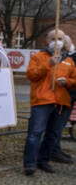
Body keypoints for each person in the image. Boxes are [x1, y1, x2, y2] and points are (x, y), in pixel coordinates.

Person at [23, 29, 76, 175]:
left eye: (60, 38)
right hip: (42, 100)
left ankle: (43, 160)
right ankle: (30, 163)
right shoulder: (38, 57)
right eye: (53, 38)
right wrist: (48, 64)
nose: (56, 41)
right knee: (35, 133)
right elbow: (31, 75)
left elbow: (75, 80)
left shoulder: (69, 60)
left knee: (53, 134)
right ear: (47, 40)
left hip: (61, 102)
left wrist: (68, 82)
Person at [50, 34, 76, 164]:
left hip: (69, 95)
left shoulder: (70, 57)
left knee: (59, 126)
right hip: (65, 96)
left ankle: (56, 149)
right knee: (57, 126)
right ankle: (53, 151)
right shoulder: (67, 58)